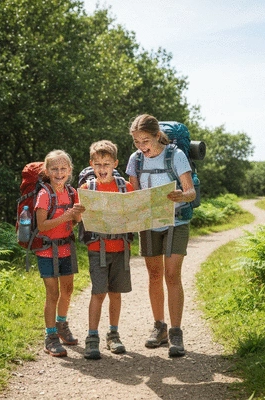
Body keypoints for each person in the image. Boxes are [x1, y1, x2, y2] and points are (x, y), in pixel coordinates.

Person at [125, 114, 196, 357]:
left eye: (145, 140)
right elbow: (134, 193)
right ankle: (159, 328)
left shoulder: (176, 155)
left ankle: (176, 332)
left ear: (157, 136)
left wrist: (181, 196)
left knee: (172, 274)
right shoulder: (135, 160)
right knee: (154, 275)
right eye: (136, 142)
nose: (141, 147)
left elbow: (191, 192)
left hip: (177, 221)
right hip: (149, 222)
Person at [80, 140, 134, 360]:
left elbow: (134, 215)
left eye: (107, 164)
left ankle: (113, 334)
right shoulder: (86, 189)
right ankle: (92, 338)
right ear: (92, 164)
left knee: (116, 293)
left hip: (121, 248)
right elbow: (78, 218)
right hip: (97, 249)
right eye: (98, 164)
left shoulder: (126, 188)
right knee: (98, 292)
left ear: (115, 164)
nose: (102, 169)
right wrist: (76, 211)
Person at [35, 149, 85, 357]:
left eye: (63, 168)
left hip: (66, 248)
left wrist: (78, 215)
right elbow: (42, 226)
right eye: (54, 168)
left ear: (70, 170)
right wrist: (67, 216)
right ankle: (50, 335)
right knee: (52, 293)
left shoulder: (72, 192)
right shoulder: (44, 194)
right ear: (47, 171)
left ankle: (62, 325)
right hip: (46, 249)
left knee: (68, 289)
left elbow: (77, 221)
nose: (59, 172)